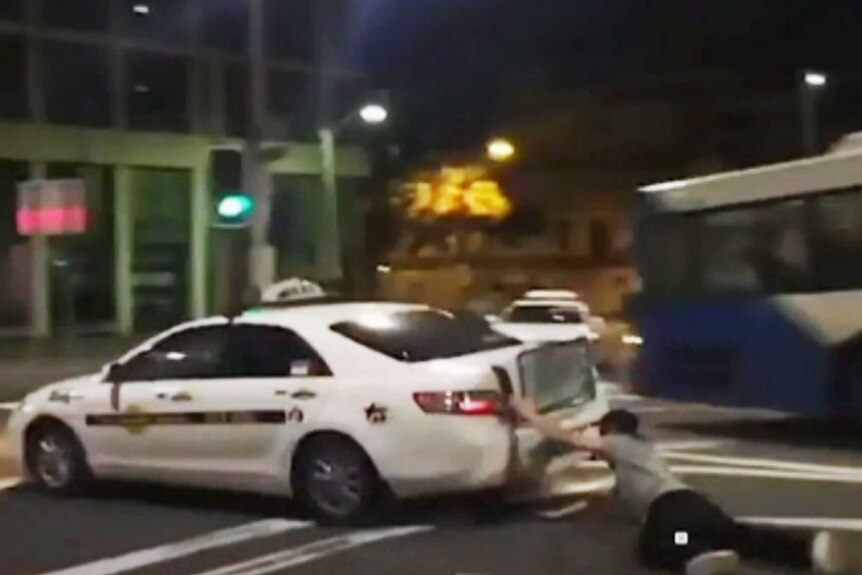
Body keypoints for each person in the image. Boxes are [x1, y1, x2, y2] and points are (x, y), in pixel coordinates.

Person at [511, 399, 862, 575]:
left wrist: (529, 414)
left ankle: (691, 553)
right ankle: (807, 550)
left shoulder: (621, 444)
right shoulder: (642, 455)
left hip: (672, 514)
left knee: (657, 545)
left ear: (611, 431)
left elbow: (567, 437)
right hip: (698, 507)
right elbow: (615, 499)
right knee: (738, 535)